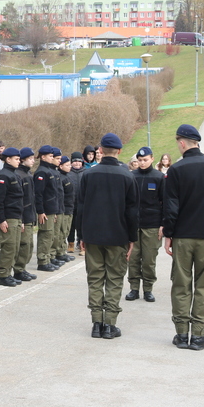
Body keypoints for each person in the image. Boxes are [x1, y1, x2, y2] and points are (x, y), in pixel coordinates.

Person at [163, 124, 204, 351]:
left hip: (183, 236)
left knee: (181, 284)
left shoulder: (176, 170)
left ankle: (182, 333)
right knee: (203, 285)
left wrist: (169, 234)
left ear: (182, 143)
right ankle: (199, 334)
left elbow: (171, 207)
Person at [75, 133, 138, 339]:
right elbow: (132, 212)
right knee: (114, 279)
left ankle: (96, 323)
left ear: (100, 150)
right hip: (118, 236)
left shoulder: (88, 175)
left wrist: (81, 235)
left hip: (93, 235)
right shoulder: (127, 176)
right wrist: (132, 238)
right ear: (119, 151)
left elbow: (81, 207)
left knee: (95, 279)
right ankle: (110, 324)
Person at [125, 147, 164, 303]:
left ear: (152, 159)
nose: (142, 163)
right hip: (134, 225)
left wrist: (163, 224)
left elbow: (165, 202)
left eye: (145, 160)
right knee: (133, 258)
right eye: (140, 160)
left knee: (149, 260)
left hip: (152, 225)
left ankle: (148, 289)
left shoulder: (159, 177)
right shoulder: (131, 176)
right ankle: (134, 288)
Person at [0, 147, 25, 287]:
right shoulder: (3, 176)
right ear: (8, 159)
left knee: (15, 247)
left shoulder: (14, 175)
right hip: (8, 217)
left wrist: (21, 219)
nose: (19, 161)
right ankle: (3, 275)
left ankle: (9, 273)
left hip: (16, 216)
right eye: (16, 159)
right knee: (8, 247)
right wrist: (1, 219)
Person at [34, 145, 62, 271]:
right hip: (45, 210)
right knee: (45, 235)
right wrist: (41, 211)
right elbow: (38, 194)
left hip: (51, 209)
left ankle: (47, 259)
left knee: (50, 235)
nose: (52, 158)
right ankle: (42, 261)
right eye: (50, 156)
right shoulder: (41, 172)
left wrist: (54, 211)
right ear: (43, 157)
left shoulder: (49, 171)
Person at [13, 148, 38, 282]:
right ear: (23, 159)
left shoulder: (28, 174)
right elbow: (19, 200)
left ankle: (22, 268)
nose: (33, 161)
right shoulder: (20, 175)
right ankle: (18, 270)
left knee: (28, 245)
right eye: (30, 158)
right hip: (24, 215)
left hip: (30, 214)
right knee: (23, 244)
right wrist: (21, 219)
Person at [57, 156, 76, 265]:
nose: (70, 167)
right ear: (61, 166)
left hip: (70, 208)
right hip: (64, 208)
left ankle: (62, 251)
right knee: (61, 231)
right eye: (67, 165)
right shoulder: (60, 178)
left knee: (66, 231)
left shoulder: (68, 176)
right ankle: (59, 252)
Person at [67, 152, 85, 254]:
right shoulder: (68, 173)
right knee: (71, 225)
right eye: (75, 161)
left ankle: (81, 244)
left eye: (79, 161)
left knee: (81, 225)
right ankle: (71, 243)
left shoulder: (86, 173)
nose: (77, 163)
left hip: (82, 203)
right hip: (71, 203)